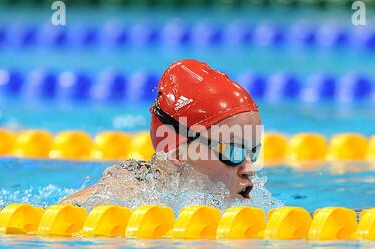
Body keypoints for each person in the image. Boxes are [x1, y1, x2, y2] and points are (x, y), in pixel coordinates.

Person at [61, 59, 263, 209]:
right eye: (233, 151)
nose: (250, 169)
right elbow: (58, 217)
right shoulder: (127, 195)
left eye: (253, 152)